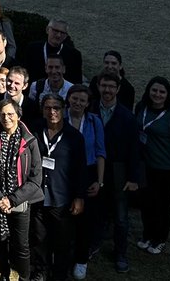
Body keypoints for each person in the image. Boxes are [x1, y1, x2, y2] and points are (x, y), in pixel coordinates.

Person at [0, 99, 44, 281]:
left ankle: (23, 277)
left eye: (10, 114)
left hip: (20, 201)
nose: (6, 118)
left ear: (18, 116)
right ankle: (4, 275)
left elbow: (36, 178)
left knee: (21, 245)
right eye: (3, 115)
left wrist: (11, 200)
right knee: (0, 242)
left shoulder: (30, 141)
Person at [32, 94, 87, 281]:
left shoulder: (74, 137)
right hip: (38, 195)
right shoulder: (36, 129)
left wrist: (79, 196)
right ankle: (40, 271)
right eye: (48, 107)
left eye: (56, 108)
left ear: (63, 110)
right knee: (39, 238)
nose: (52, 112)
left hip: (61, 199)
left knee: (62, 243)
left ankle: (59, 275)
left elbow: (81, 169)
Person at [92, 71, 142, 273]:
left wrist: (133, 178)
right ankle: (94, 243)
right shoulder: (91, 109)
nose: (107, 90)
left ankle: (120, 253)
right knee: (96, 210)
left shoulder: (127, 117)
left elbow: (135, 150)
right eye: (104, 86)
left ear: (118, 89)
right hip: (94, 167)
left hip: (119, 170)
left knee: (121, 217)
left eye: (112, 87)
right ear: (98, 87)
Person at [133, 76, 170, 256]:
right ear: (149, 91)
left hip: (165, 170)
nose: (157, 94)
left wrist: (166, 154)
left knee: (162, 204)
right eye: (154, 90)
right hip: (144, 166)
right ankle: (147, 234)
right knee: (145, 201)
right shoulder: (141, 108)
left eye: (162, 92)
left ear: (168, 95)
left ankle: (160, 238)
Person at [65, 86, 105, 280]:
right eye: (75, 99)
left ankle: (81, 260)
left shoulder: (94, 121)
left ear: (88, 103)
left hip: (88, 173)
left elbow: (100, 152)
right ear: (69, 99)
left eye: (82, 100)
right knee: (63, 217)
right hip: (63, 172)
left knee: (85, 220)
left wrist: (99, 181)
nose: (78, 103)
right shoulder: (60, 118)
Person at [25, 19, 83, 84]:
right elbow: (25, 74)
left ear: (66, 36)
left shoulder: (74, 55)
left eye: (62, 33)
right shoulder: (33, 49)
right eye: (55, 31)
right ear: (47, 30)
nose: (58, 35)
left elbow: (77, 82)